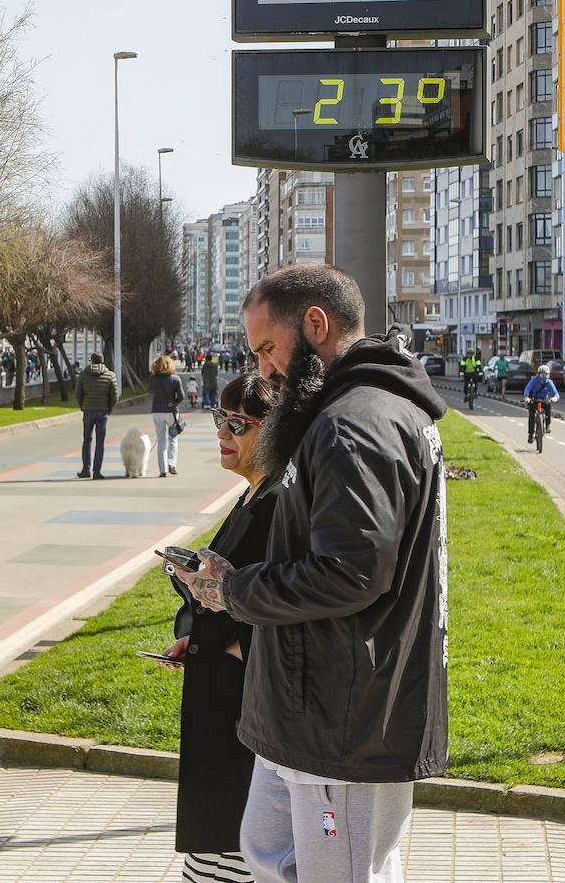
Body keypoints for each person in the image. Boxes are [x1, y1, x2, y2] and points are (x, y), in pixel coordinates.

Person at [174, 263, 448, 883]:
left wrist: (231, 590)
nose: (264, 369)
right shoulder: (342, 414)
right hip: (309, 711)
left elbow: (350, 572)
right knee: (267, 855)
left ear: (316, 325)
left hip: (341, 717)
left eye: (267, 349)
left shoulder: (354, 424)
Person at [159, 373, 279, 883]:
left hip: (244, 714)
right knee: (210, 851)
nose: (223, 433)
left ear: (276, 430)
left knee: (231, 849)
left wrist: (229, 648)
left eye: (238, 424)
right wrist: (199, 637)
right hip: (220, 703)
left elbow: (281, 606)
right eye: (219, 419)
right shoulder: (252, 495)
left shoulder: (278, 504)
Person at [75, 352, 118, 480]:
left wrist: (83, 406)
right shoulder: (110, 375)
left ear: (91, 361)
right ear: (103, 361)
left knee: (87, 440)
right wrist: (109, 408)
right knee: (100, 442)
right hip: (102, 411)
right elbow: (115, 395)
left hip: (88, 410)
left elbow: (78, 393)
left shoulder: (83, 374)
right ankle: (97, 471)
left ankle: (85, 469)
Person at [149, 354, 185, 477]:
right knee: (173, 438)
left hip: (157, 411)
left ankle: (163, 470)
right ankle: (172, 464)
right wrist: (174, 403)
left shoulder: (153, 379)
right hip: (171, 412)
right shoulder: (175, 379)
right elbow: (181, 396)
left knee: (161, 440)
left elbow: (150, 391)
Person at [524, 363, 559, 443]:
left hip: (544, 400)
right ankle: (530, 434)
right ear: (539, 374)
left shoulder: (549, 382)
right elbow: (527, 389)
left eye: (546, 374)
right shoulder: (534, 380)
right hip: (534, 400)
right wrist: (527, 397)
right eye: (542, 374)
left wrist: (555, 398)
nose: (544, 376)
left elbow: (555, 393)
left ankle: (547, 425)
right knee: (532, 416)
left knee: (548, 407)